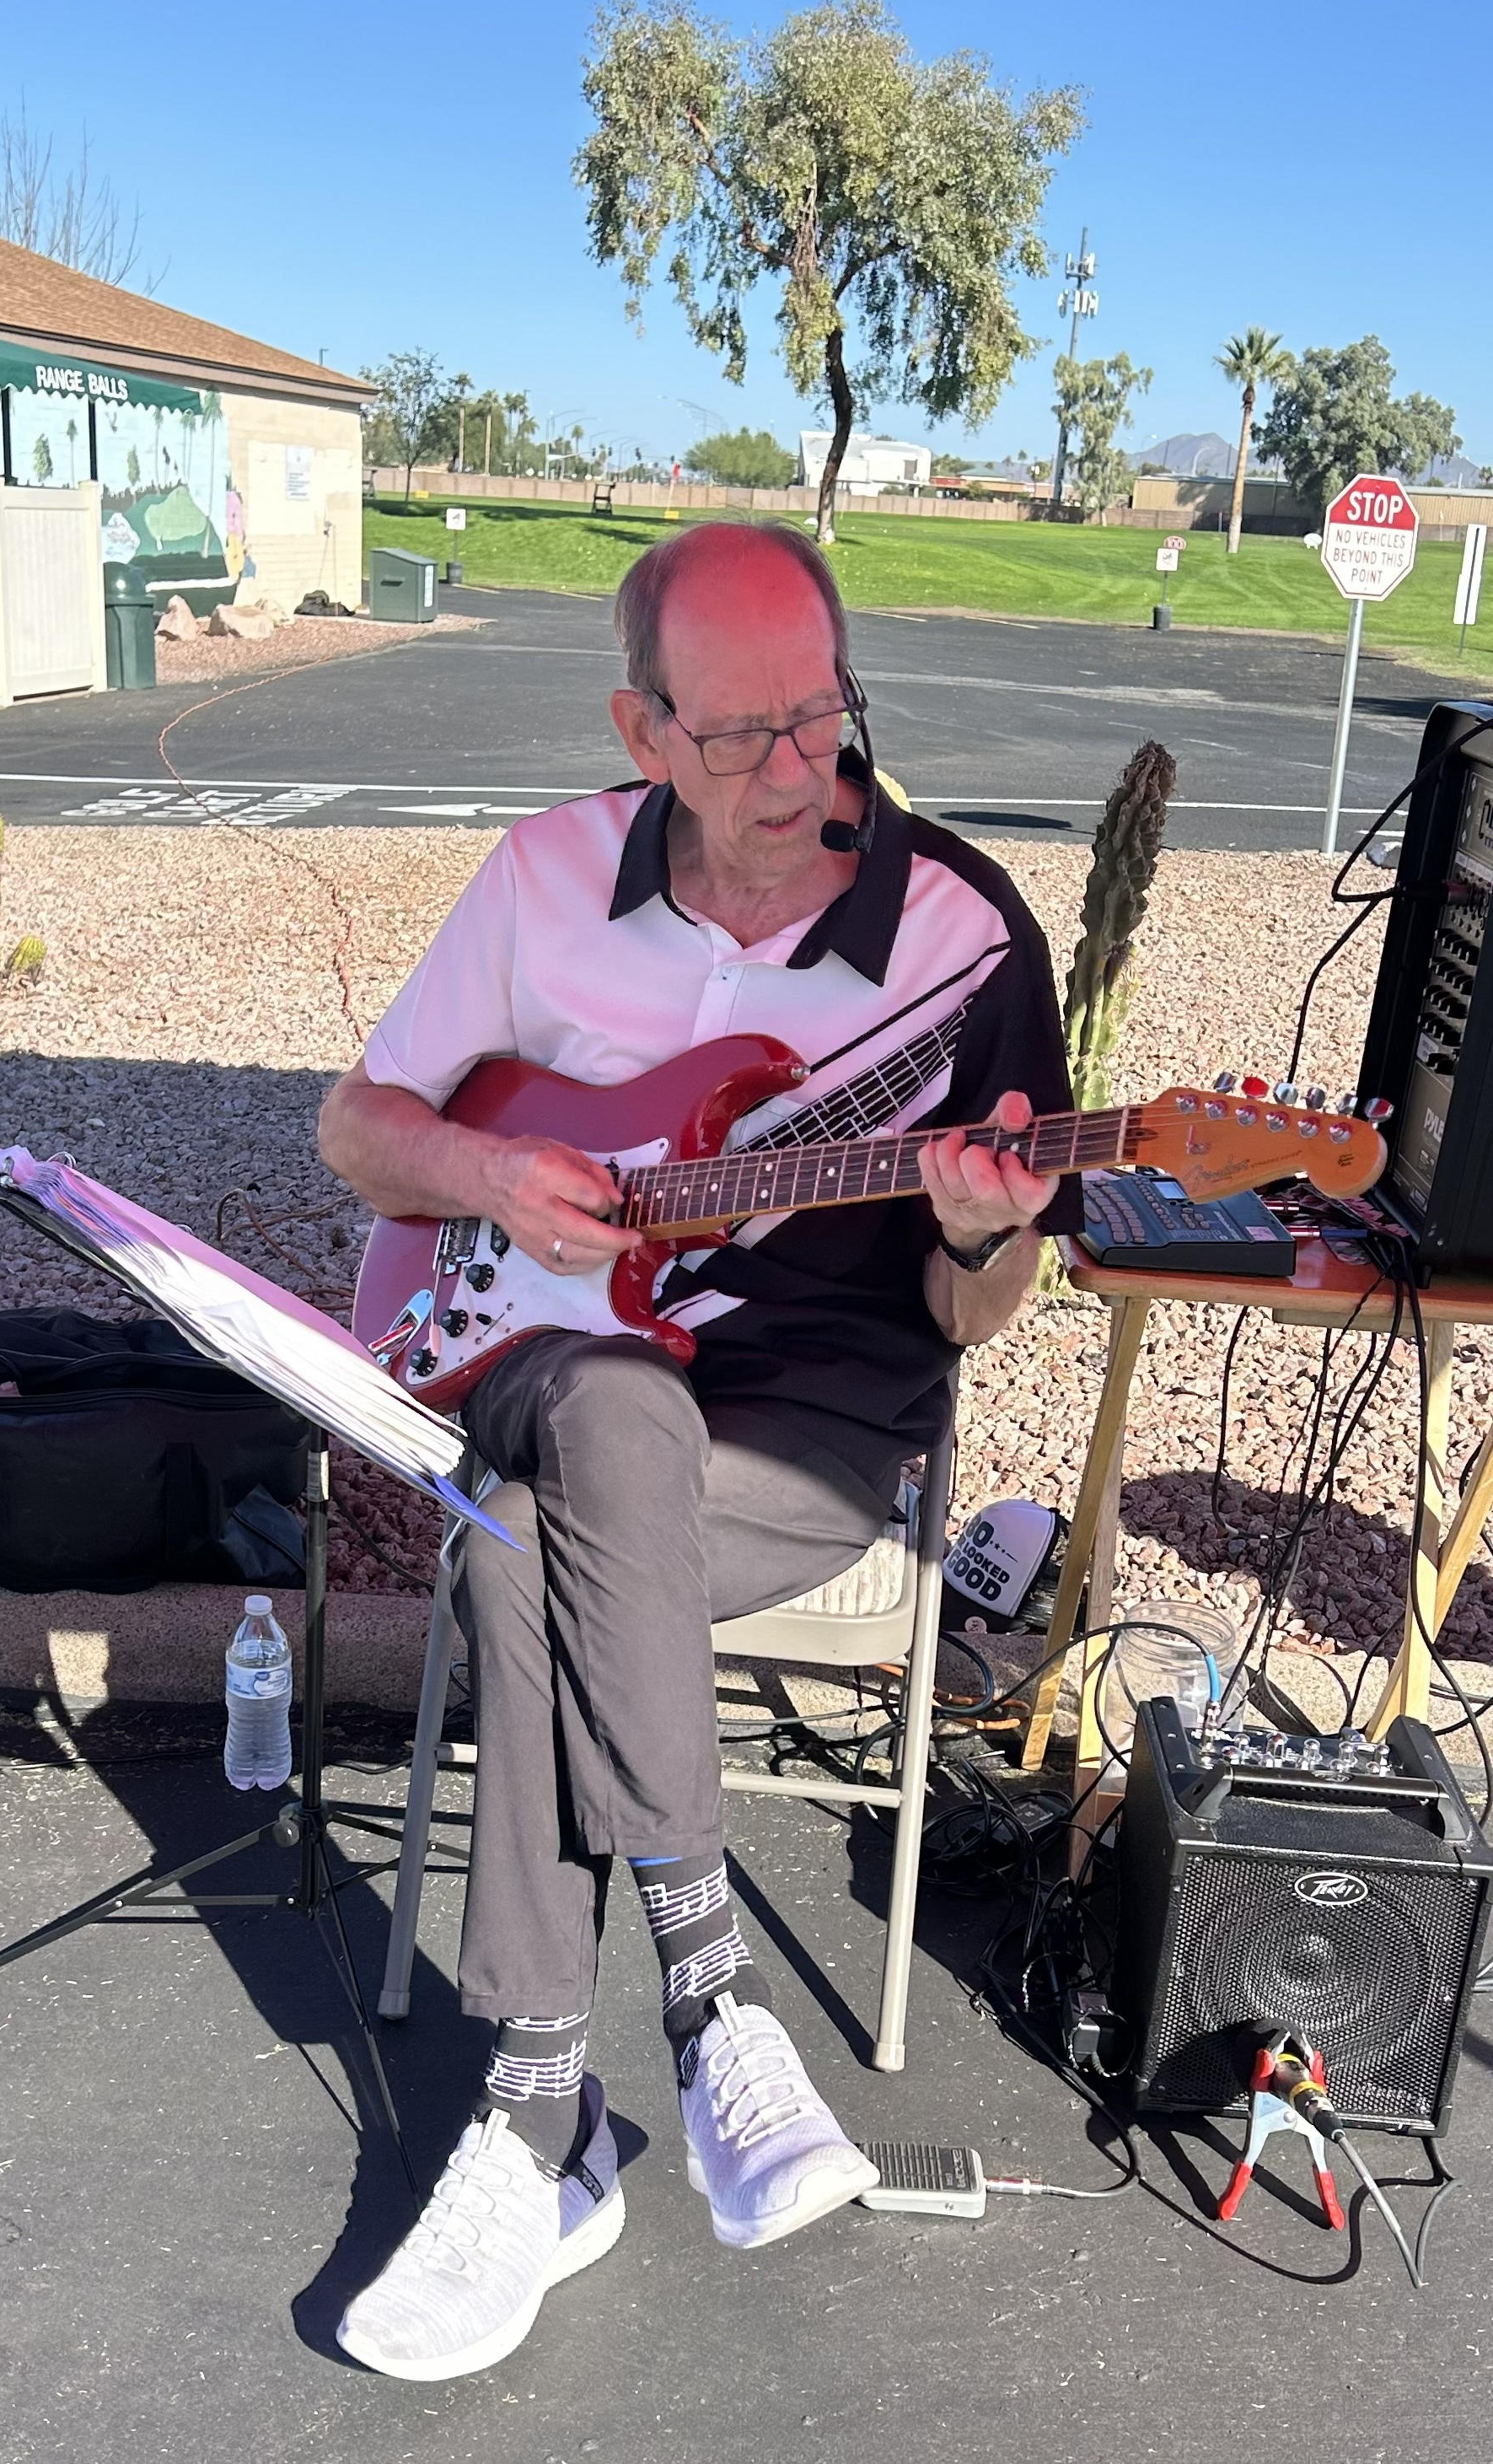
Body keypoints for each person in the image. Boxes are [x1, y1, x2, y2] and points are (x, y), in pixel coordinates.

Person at [315, 520, 1082, 2381]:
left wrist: (979, 1229)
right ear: (640, 728)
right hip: (528, 1335)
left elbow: (983, 1319)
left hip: (813, 1423)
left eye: (821, 719)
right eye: (736, 737)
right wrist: (498, 1174)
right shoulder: (547, 876)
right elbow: (359, 1131)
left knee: (521, 1539)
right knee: (596, 1409)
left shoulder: (961, 939)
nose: (792, 772)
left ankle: (536, 2113)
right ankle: (707, 1992)